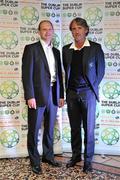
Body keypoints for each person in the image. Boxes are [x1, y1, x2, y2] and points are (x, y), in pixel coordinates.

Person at [62, 17, 105, 173]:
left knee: (89, 128)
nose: (76, 31)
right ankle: (75, 156)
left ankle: (88, 160)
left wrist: (90, 87)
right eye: (73, 29)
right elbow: (66, 72)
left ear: (86, 30)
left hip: (88, 93)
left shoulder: (95, 48)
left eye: (79, 28)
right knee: (74, 128)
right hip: (72, 93)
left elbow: (100, 72)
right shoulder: (66, 49)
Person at [22, 20, 64, 175]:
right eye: (44, 29)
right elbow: (26, 75)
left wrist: (61, 95)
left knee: (49, 130)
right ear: (39, 31)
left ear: (53, 31)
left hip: (53, 95)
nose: (47, 32)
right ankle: (34, 161)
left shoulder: (56, 52)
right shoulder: (31, 49)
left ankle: (48, 156)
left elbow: (59, 75)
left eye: (50, 29)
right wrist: (30, 95)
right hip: (37, 96)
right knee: (33, 130)